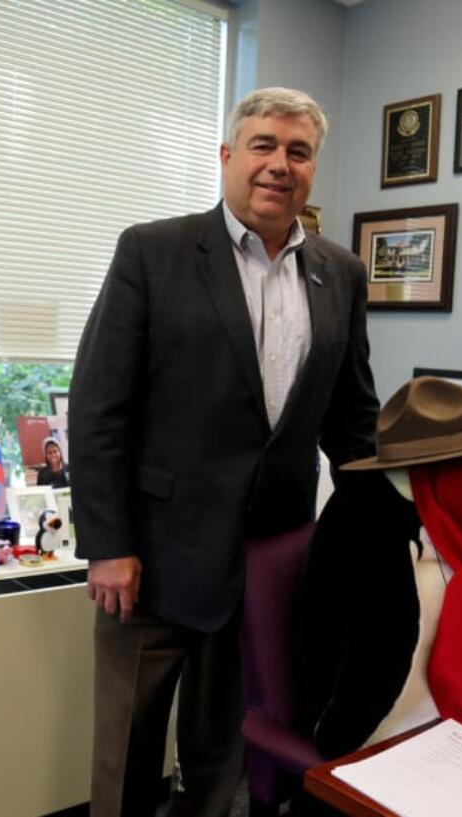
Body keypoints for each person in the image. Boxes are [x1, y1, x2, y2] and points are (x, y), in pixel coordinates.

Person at [69, 87, 379, 817]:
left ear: (312, 169)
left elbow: (353, 418)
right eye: (264, 145)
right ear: (228, 156)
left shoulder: (341, 274)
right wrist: (108, 544)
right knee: (129, 757)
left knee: (224, 754)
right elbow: (98, 408)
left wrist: (389, 519)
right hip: (150, 564)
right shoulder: (154, 250)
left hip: (266, 565)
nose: (280, 164)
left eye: (298, 152)